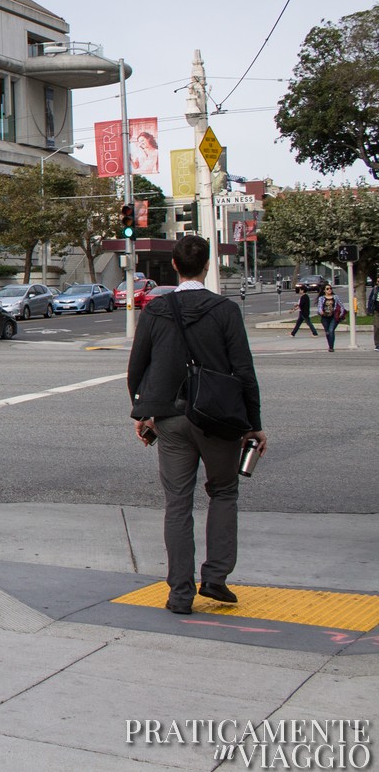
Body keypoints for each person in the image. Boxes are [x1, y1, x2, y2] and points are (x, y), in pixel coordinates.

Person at [128, 235, 264, 616]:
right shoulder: (225, 311)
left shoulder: (155, 311)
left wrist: (142, 413)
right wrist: (254, 425)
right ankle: (216, 578)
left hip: (170, 419)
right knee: (223, 492)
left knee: (177, 504)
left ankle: (180, 593)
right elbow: (244, 371)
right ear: (207, 266)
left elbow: (137, 367)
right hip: (218, 420)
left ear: (174, 265)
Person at [318, 284, 342, 353]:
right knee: (328, 332)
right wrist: (320, 311)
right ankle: (330, 345)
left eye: (330, 288)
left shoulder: (335, 297)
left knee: (331, 330)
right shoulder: (321, 298)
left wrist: (341, 313)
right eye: (327, 289)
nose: (329, 290)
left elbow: (341, 305)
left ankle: (331, 347)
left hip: (333, 316)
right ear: (324, 290)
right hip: (325, 317)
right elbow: (319, 307)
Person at [368, 280, 379, 352]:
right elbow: (370, 299)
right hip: (377, 311)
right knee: (377, 327)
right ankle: (377, 344)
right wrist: (370, 310)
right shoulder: (375, 289)